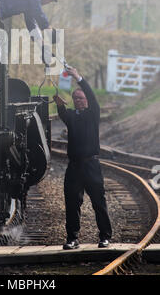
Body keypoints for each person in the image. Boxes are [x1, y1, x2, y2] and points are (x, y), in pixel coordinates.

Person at [53, 65, 112, 250]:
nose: (78, 100)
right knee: (72, 203)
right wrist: (59, 103)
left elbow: (91, 95)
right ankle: (72, 238)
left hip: (92, 165)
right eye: (75, 98)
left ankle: (105, 237)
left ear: (86, 100)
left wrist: (78, 77)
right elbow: (63, 113)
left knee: (99, 203)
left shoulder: (93, 114)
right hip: (74, 167)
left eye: (81, 98)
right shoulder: (71, 116)